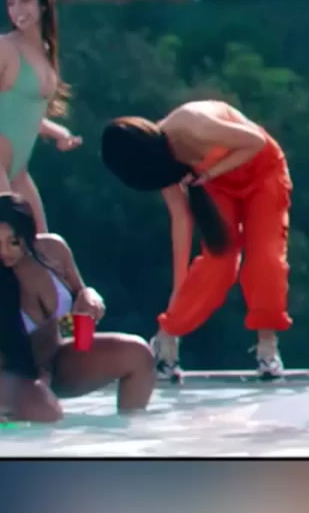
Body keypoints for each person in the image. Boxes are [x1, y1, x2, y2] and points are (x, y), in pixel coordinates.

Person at [100, 101, 293, 381]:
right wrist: (178, 292)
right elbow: (182, 221)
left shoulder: (193, 124)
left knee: (265, 258)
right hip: (215, 184)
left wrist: (209, 173)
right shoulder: (161, 166)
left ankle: (267, 346)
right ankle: (166, 340)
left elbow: (255, 142)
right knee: (218, 264)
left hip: (262, 170)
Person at [0, 193, 155, 423]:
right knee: (46, 412)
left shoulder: (54, 250)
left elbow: (81, 295)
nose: (4, 252)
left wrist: (90, 296)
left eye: (13, 242)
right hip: (11, 376)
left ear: (27, 233)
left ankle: (130, 435)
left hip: (58, 361)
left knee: (139, 355)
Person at [0, 0, 84, 234]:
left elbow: (26, 114)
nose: (17, 9)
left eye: (25, 0)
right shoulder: (3, 47)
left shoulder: (45, 50)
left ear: (42, 4)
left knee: (43, 243)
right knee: (7, 242)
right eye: (11, 2)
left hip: (19, 170)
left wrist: (60, 133)